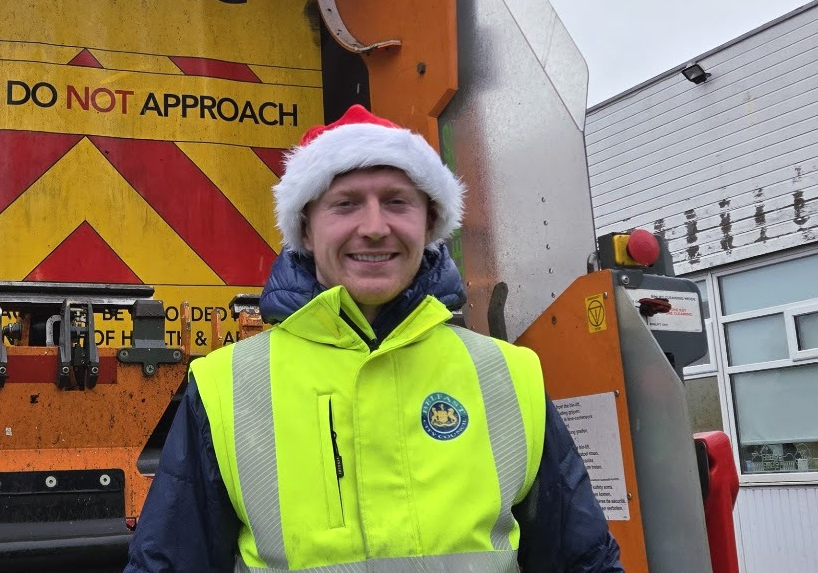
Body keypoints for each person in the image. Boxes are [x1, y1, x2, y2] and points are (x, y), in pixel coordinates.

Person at [126, 105, 623, 572]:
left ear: (430, 223)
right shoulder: (227, 386)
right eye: (344, 204)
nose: (374, 227)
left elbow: (582, 561)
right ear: (305, 226)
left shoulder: (509, 375)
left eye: (396, 202)